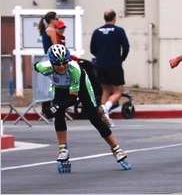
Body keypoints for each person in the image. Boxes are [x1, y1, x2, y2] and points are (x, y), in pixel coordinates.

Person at [34, 44, 131, 172]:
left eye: (65, 62)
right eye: (58, 64)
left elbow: (73, 99)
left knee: (95, 118)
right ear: (51, 63)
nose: (62, 66)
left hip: (81, 87)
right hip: (59, 87)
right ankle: (63, 149)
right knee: (59, 114)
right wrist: (56, 108)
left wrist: (54, 107)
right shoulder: (44, 67)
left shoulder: (74, 69)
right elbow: (36, 66)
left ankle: (116, 149)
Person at [90, 9, 130, 128]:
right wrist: (121, 58)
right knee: (118, 91)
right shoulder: (118, 31)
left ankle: (104, 117)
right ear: (114, 18)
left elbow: (92, 49)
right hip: (114, 64)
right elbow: (126, 47)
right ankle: (105, 108)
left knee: (106, 90)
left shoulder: (96, 32)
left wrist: (100, 57)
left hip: (100, 65)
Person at [38, 11, 59, 115]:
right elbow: (55, 46)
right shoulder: (51, 30)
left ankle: (45, 110)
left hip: (46, 59)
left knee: (47, 86)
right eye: (57, 19)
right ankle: (49, 111)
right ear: (52, 20)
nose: (58, 21)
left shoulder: (45, 30)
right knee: (53, 85)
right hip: (51, 60)